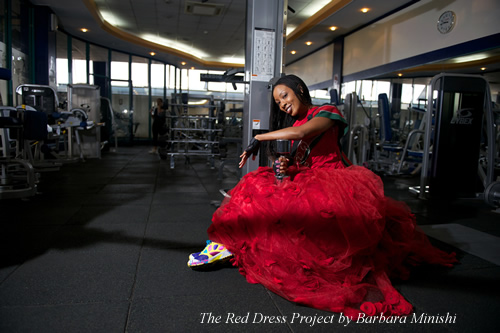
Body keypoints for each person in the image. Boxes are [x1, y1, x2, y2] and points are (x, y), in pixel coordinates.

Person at [187, 75, 457, 317]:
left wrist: (260, 138)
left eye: (285, 96)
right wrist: (287, 165)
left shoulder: (327, 111)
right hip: (308, 178)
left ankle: (232, 246)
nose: (282, 104)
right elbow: (300, 158)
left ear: (300, 90)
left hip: (336, 180)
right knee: (253, 185)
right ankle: (224, 244)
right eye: (278, 101)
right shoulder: (295, 121)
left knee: (303, 222)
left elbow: (303, 133)